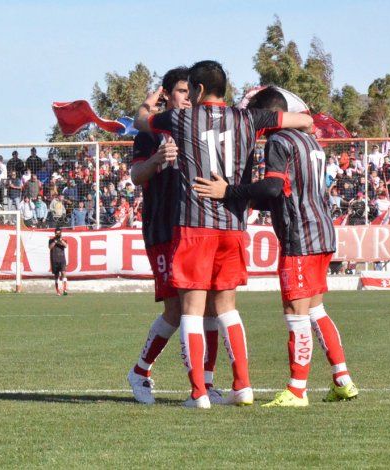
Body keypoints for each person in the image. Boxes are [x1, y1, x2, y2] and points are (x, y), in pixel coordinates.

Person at [135, 60, 313, 409]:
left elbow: (143, 122)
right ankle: (243, 386)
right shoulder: (248, 118)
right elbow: (303, 119)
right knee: (227, 309)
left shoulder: (181, 119)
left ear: (199, 91)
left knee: (192, 310)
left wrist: (146, 106)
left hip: (194, 225)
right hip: (232, 225)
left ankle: (199, 393)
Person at [194, 86, 358, 407]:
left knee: (295, 314)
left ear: (269, 119)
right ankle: (342, 379)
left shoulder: (279, 141)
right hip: (323, 231)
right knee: (315, 309)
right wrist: (249, 199)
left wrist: (230, 192)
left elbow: (272, 186)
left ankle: (297, 390)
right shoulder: (309, 141)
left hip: (300, 236)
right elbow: (286, 191)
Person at [126, 66, 222, 405]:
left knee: (207, 304)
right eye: (181, 91)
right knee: (177, 309)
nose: (188, 98)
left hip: (196, 226)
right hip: (163, 227)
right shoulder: (151, 133)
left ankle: (206, 383)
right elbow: (136, 175)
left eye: (190, 92)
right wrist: (155, 160)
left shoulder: (196, 127)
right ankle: (140, 371)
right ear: (167, 94)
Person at [48, 227, 68, 295]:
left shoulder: (63, 240)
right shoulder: (51, 240)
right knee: (56, 275)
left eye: (59, 233)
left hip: (62, 259)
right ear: (55, 233)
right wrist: (55, 241)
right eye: (57, 233)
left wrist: (61, 240)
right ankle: (58, 291)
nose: (58, 234)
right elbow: (50, 247)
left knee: (63, 273)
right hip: (54, 259)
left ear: (61, 233)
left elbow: (66, 246)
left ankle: (65, 290)